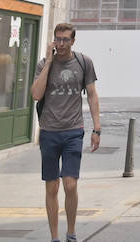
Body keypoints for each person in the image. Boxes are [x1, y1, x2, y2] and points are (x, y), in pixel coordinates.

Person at [30, 22, 101, 242]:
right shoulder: (44, 64)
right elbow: (36, 94)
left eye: (65, 40)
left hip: (73, 131)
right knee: (52, 186)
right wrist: (49, 62)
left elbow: (92, 95)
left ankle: (71, 233)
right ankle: (54, 237)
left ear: (73, 41)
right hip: (49, 131)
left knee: (70, 184)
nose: (60, 44)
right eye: (57, 39)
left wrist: (96, 128)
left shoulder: (83, 62)